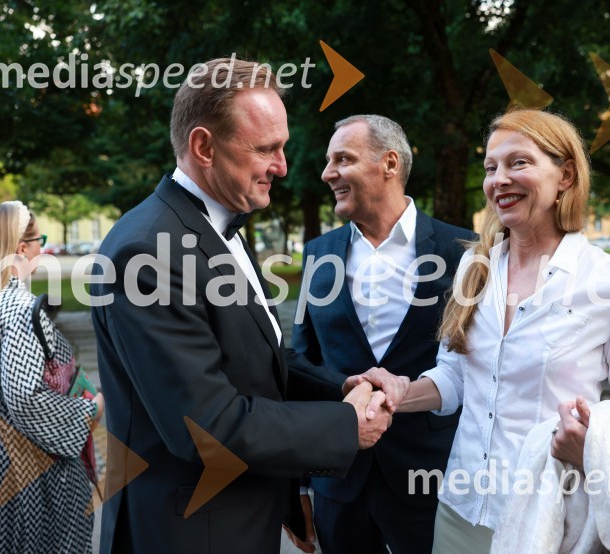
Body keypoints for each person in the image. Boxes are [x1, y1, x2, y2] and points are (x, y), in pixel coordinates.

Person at [90, 58, 391, 553]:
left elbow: (254, 356)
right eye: (266, 149)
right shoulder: (148, 253)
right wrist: (346, 425)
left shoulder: (217, 222)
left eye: (282, 147)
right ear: (204, 147)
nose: (283, 166)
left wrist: (341, 387)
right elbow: (206, 427)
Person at [344, 108, 610, 553]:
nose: (499, 180)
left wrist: (592, 451)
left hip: (553, 520)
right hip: (460, 510)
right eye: (490, 167)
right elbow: (456, 377)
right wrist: (400, 391)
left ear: (566, 175)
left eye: (519, 163)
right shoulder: (472, 269)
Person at [291, 115, 475, 554]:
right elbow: (302, 367)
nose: (327, 173)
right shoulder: (318, 254)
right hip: (338, 479)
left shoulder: (463, 252)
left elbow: (476, 368)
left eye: (343, 159)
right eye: (328, 161)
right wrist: (298, 484)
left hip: (431, 476)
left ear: (389, 163)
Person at [0, 201, 104, 552]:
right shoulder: (18, 311)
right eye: (38, 241)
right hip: (27, 473)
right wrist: (89, 411)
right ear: (19, 248)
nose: (41, 250)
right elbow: (26, 398)